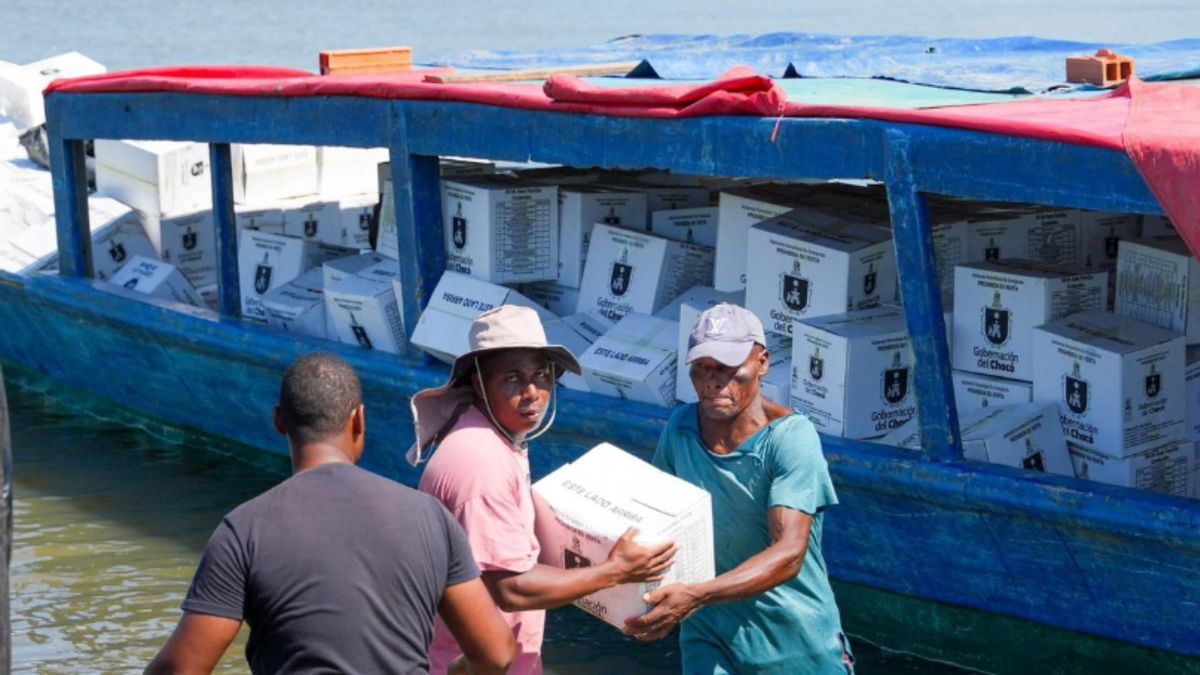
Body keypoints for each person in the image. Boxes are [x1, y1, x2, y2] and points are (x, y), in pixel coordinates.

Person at [145, 353, 515, 675]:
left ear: (279, 422)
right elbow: (496, 654)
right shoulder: (429, 517)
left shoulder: (244, 529)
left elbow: (181, 669)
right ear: (359, 421)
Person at [410, 305, 677, 675]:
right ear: (479, 384)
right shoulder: (482, 464)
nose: (532, 392)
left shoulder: (494, 438)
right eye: (512, 379)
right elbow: (512, 588)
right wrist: (615, 571)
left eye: (541, 375)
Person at [625, 304, 854, 674]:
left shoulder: (791, 439)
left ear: (762, 363)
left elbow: (788, 554)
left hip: (795, 645)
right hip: (708, 633)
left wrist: (696, 596)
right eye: (702, 367)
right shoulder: (681, 427)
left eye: (728, 367)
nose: (713, 381)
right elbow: (654, 522)